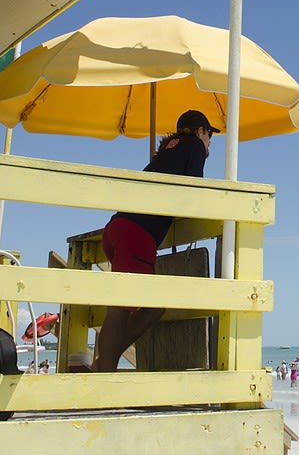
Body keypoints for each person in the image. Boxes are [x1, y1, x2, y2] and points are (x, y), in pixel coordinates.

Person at [92, 110, 219, 372]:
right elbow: (194, 189)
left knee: (148, 307)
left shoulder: (168, 150)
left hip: (117, 228)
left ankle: (103, 364)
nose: (209, 144)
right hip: (137, 234)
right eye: (209, 136)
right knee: (123, 309)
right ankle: (103, 374)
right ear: (199, 131)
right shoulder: (193, 146)